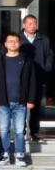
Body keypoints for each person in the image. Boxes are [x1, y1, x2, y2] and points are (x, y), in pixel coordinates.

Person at [0, 32, 36, 167]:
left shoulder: (26, 60)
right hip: (3, 101)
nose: (13, 43)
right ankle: (4, 155)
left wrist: (31, 99)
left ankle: (19, 156)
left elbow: (32, 81)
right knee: (4, 130)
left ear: (19, 43)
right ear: (5, 44)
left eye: (15, 41)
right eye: (10, 41)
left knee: (19, 130)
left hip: (21, 101)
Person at [20, 15, 52, 143]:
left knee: (36, 105)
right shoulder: (18, 39)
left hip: (38, 77)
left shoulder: (43, 39)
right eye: (30, 23)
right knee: (20, 106)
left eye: (34, 23)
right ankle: (20, 132)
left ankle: (34, 132)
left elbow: (49, 55)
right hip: (21, 78)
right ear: (24, 25)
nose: (33, 26)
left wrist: (46, 68)